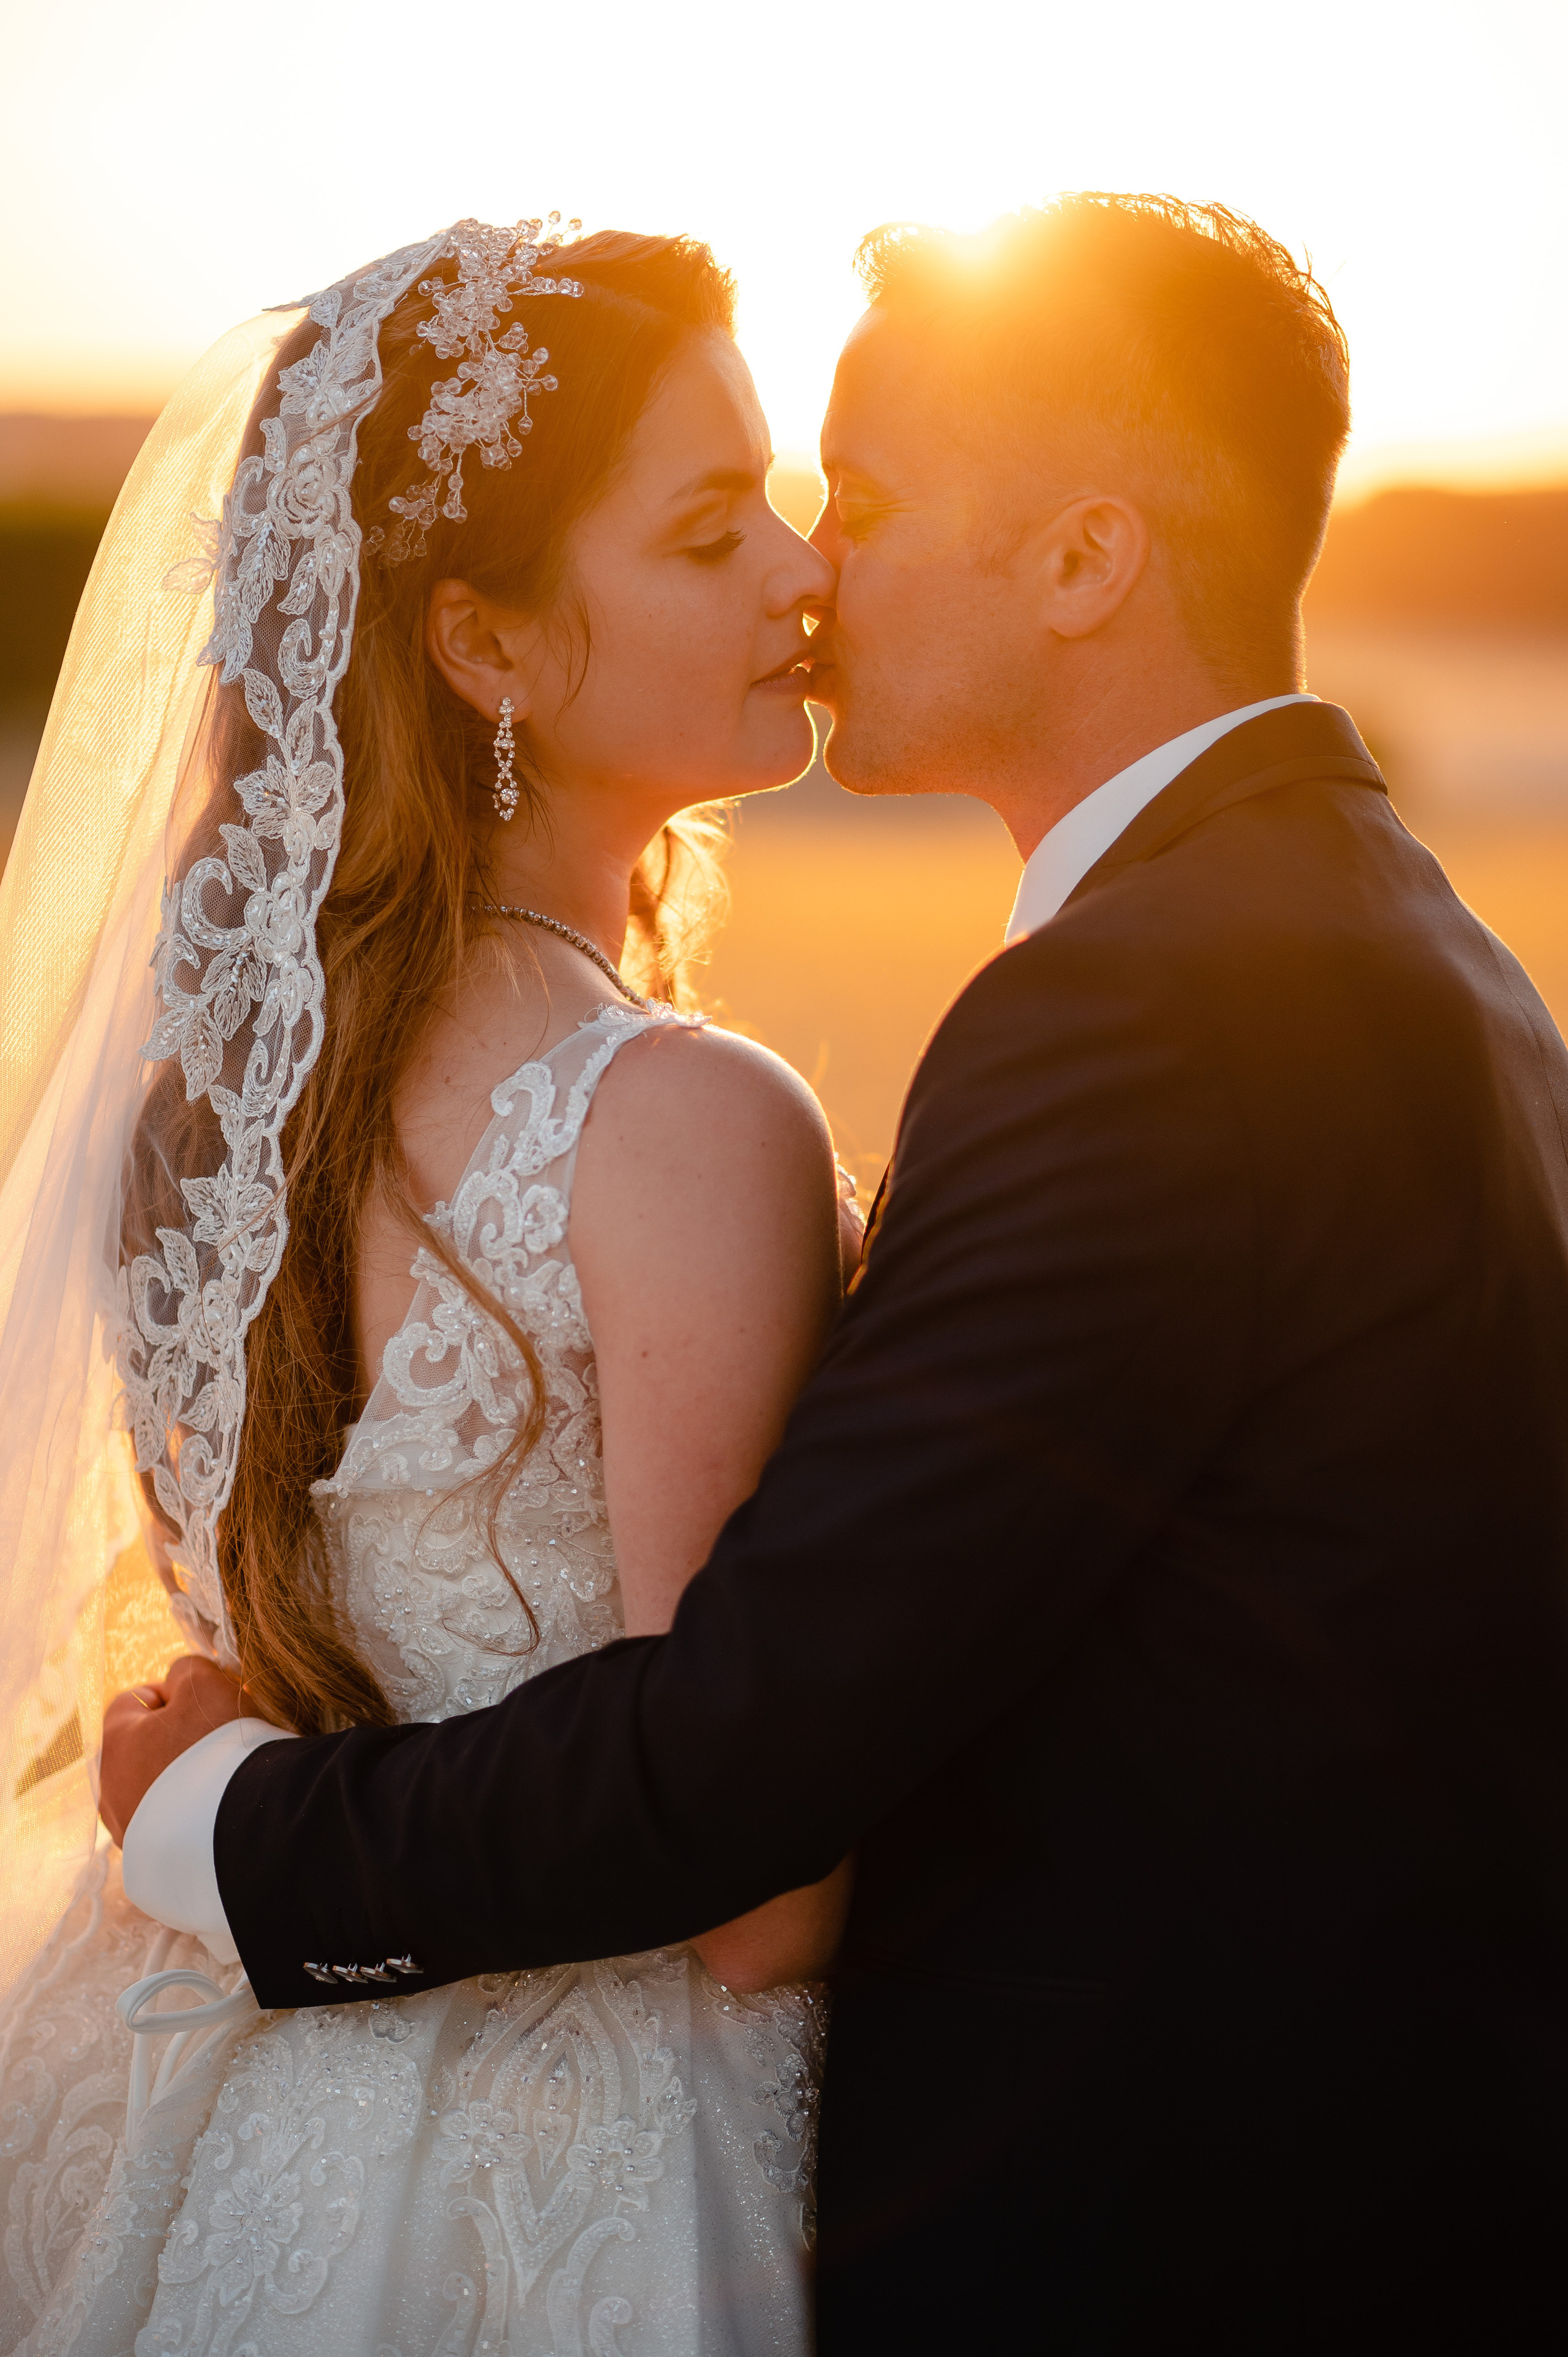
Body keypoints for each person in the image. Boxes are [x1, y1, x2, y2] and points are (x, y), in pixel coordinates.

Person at [105, 194, 1568, 2352]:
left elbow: (758, 1750)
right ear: (479, 639)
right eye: (744, 523)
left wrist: (233, 1837)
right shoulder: (1376, 944)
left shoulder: (1170, 1003)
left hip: (1179, 2232)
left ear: (1085, 561)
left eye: (855, 505)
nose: (811, 574)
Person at [0, 218, 861, 2357]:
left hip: (191, 2070)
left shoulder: (216, 1094)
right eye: (701, 532)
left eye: (776, 501)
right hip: (586, 2171)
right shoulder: (679, 1115)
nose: (798, 572)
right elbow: (761, 1903)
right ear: (484, 645)